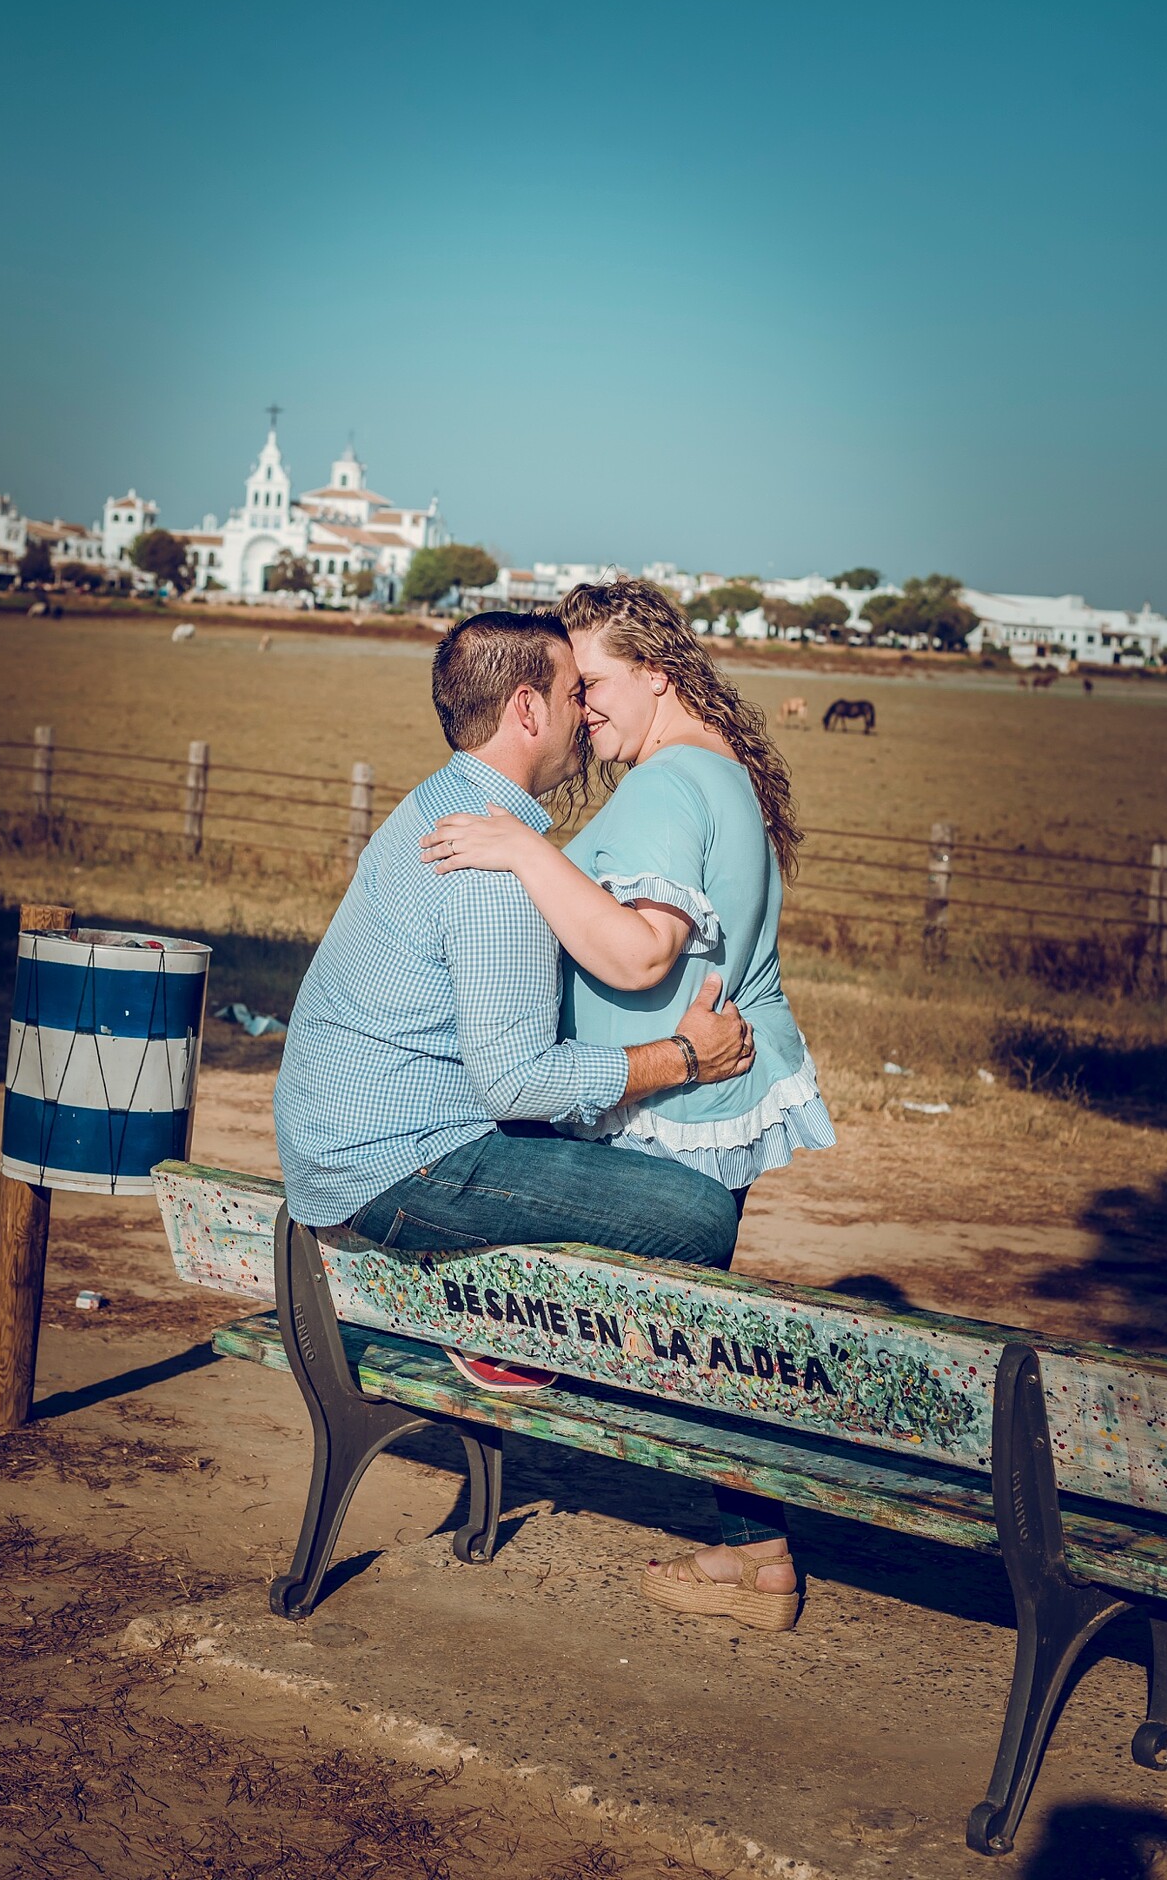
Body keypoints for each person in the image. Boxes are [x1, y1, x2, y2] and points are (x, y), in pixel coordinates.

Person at [418, 580, 835, 1628]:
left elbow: (641, 948)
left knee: (684, 1339)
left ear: (657, 673)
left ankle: (756, 1551)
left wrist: (522, 850)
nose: (582, 706)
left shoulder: (662, 787)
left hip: (673, 1101)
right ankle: (755, 1556)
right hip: (706, 1092)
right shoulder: (717, 776)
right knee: (692, 1338)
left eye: (593, 680)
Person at [273, 611, 756, 1398]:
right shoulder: (499, 872)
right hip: (399, 1165)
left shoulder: (435, 804)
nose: (586, 712)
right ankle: (519, 1331)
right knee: (700, 1214)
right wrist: (684, 1058)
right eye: (574, 693)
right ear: (527, 710)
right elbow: (514, 1084)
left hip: (333, 1142)